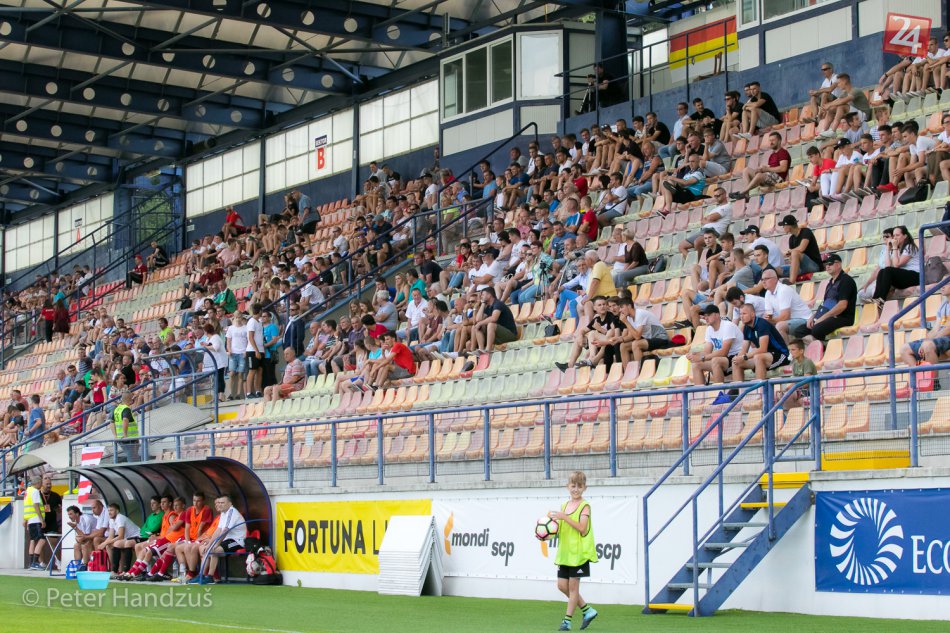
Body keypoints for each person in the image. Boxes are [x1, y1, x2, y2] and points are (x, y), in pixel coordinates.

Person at [548, 470, 598, 632]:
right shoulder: (564, 506)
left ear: (585, 488)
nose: (576, 489)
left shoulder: (585, 506)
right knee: (562, 586)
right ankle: (587, 610)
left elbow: (582, 528)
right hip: (565, 554)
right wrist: (547, 533)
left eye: (579, 486)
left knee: (573, 588)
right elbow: (562, 530)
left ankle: (566, 622)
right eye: (573, 486)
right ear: (567, 486)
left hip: (579, 555)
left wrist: (564, 517)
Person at [794, 253, 857, 342]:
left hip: (842, 317)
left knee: (817, 329)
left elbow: (842, 305)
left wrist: (823, 318)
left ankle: (820, 347)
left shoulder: (846, 281)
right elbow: (825, 304)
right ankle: (819, 346)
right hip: (828, 315)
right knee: (799, 331)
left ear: (839, 264)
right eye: (826, 264)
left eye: (830, 264)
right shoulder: (830, 282)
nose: (827, 266)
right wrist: (814, 316)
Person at [688, 305, 743, 395]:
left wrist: (702, 357)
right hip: (725, 359)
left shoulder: (728, 326)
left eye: (708, 315)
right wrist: (695, 355)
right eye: (704, 316)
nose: (705, 318)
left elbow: (724, 352)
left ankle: (719, 395)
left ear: (717, 315)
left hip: (737, 356)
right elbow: (707, 352)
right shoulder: (709, 329)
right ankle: (700, 397)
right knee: (696, 365)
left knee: (715, 360)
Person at [194, 494, 246, 584]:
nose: (220, 504)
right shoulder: (223, 513)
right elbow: (218, 530)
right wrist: (210, 544)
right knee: (207, 549)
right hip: (227, 540)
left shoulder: (232, 512)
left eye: (223, 503)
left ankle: (210, 577)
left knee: (214, 550)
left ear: (230, 503)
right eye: (219, 503)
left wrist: (216, 544)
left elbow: (225, 531)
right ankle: (201, 575)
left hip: (237, 541)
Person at [731, 303, 790, 382]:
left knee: (758, 357)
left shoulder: (762, 324)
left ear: (752, 314)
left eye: (744, 314)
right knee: (736, 362)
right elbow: (743, 350)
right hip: (765, 357)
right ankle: (738, 389)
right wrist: (738, 358)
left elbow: (763, 349)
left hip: (780, 355)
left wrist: (745, 357)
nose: (741, 316)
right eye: (740, 314)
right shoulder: (746, 328)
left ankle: (759, 388)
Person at [901, 284, 950, 367]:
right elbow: (935, 329)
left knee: (927, 345)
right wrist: (925, 341)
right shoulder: (943, 305)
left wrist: (927, 342)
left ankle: (932, 376)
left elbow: (948, 329)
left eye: (946, 283)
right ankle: (918, 375)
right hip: (941, 338)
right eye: (942, 283)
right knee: (905, 349)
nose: (942, 286)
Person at [871, 225, 920, 306]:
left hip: (915, 276)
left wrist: (894, 247)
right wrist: (888, 248)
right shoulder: (897, 248)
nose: (895, 238)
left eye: (897, 235)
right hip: (904, 277)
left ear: (905, 236)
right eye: (893, 235)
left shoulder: (909, 247)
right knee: (882, 271)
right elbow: (887, 266)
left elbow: (896, 264)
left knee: (888, 271)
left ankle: (881, 299)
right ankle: (876, 298)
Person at [98, 503, 141, 576]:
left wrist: (105, 543)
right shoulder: (111, 520)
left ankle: (124, 570)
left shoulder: (120, 518)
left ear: (117, 511)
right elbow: (110, 536)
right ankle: (114, 570)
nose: (109, 512)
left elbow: (120, 536)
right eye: (108, 511)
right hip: (127, 539)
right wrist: (104, 544)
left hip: (137, 536)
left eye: (111, 510)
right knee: (108, 546)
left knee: (117, 543)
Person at [474, 287, 520, 352]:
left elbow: (494, 318)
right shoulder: (488, 306)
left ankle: (488, 350)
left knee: (491, 325)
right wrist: (483, 304)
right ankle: (481, 350)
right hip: (498, 336)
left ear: (489, 295)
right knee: (477, 327)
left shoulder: (498, 304)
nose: (481, 296)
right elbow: (478, 320)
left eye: (483, 294)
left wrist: (480, 323)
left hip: (510, 335)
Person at [778, 214, 822, 283]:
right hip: (800, 268)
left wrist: (789, 252)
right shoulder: (791, 239)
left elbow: (801, 248)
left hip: (814, 266)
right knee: (776, 269)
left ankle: (791, 281)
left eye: (783, 226)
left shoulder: (806, 232)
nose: (783, 227)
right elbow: (791, 258)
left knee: (795, 253)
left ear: (788, 226)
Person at [784, 339, 817, 410]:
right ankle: (794, 412)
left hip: (809, 391)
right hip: (799, 390)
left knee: (788, 395)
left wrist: (794, 387)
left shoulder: (807, 362)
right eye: (789, 350)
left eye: (793, 350)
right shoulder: (795, 364)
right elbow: (794, 380)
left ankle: (795, 412)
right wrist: (788, 388)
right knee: (779, 395)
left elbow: (806, 383)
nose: (790, 352)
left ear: (801, 351)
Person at [22, 472, 45, 570]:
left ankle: (31, 562)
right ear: (38, 483)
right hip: (36, 519)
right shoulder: (35, 491)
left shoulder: (28, 491)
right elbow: (36, 505)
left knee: (32, 540)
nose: (42, 485)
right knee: (42, 539)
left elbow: (27, 506)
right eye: (41, 483)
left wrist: (25, 519)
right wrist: (42, 520)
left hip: (30, 519)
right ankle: (35, 562)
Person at [66, 505, 98, 570]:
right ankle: (77, 566)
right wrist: (76, 531)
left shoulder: (86, 519)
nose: (69, 516)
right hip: (89, 537)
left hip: (97, 537)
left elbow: (86, 537)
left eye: (71, 514)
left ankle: (85, 565)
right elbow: (82, 536)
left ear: (77, 514)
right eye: (68, 514)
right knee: (76, 545)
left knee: (84, 545)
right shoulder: (77, 521)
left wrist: (75, 528)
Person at [112, 392, 140, 463]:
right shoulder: (126, 409)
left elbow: (111, 422)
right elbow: (125, 420)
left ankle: (134, 468)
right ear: (129, 399)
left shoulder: (117, 409)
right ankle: (133, 469)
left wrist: (115, 435)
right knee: (132, 457)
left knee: (132, 456)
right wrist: (125, 435)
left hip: (120, 438)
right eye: (132, 398)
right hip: (129, 438)